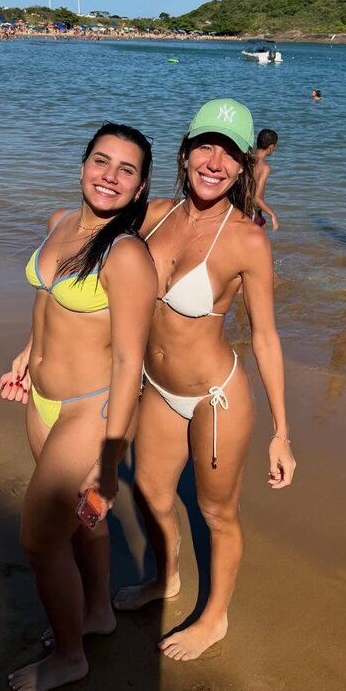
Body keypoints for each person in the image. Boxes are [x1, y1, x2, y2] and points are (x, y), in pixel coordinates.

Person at [114, 98, 297, 661]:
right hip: (158, 388)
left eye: (230, 154)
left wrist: (282, 433)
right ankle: (165, 578)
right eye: (206, 147)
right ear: (185, 152)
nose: (215, 162)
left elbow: (265, 338)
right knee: (150, 490)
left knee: (217, 513)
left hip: (214, 397)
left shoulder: (247, 240)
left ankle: (215, 617)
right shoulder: (153, 215)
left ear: (243, 167)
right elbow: (93, 255)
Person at [0, 123, 157, 691]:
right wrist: (28, 353)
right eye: (101, 161)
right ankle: (97, 613)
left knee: (40, 542)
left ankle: (70, 657)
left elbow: (130, 364)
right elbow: (50, 306)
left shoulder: (126, 254)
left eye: (126, 170)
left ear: (140, 188)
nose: (110, 176)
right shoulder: (60, 221)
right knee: (81, 521)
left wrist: (109, 467)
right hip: (42, 399)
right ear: (83, 163)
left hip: (91, 410)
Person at [253, 128, 279, 230]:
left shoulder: (247, 158)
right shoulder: (264, 167)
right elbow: (257, 198)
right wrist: (272, 215)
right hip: (253, 211)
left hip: (240, 208)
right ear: (270, 148)